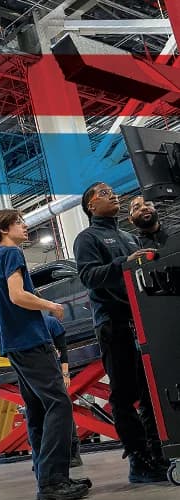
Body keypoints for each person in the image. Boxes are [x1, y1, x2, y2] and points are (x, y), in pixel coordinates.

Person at [0, 208, 89, 500]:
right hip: (30, 341)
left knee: (37, 409)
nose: (25, 226)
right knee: (59, 404)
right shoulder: (12, 254)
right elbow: (17, 296)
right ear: (4, 230)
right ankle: (54, 480)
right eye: (19, 222)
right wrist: (50, 307)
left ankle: (47, 477)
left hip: (14, 344)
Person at [73, 181, 168, 483]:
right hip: (113, 324)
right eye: (103, 193)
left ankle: (158, 454)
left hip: (141, 320)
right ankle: (139, 461)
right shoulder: (87, 237)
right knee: (124, 395)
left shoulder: (128, 236)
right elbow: (89, 277)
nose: (111, 194)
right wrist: (120, 264)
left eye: (112, 190)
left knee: (151, 393)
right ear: (91, 205)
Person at [42, 313, 82, 468]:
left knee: (63, 410)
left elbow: (62, 349)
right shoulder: (27, 323)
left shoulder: (50, 322)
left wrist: (65, 373)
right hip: (40, 373)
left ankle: (73, 454)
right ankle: (48, 455)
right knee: (46, 413)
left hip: (55, 372)